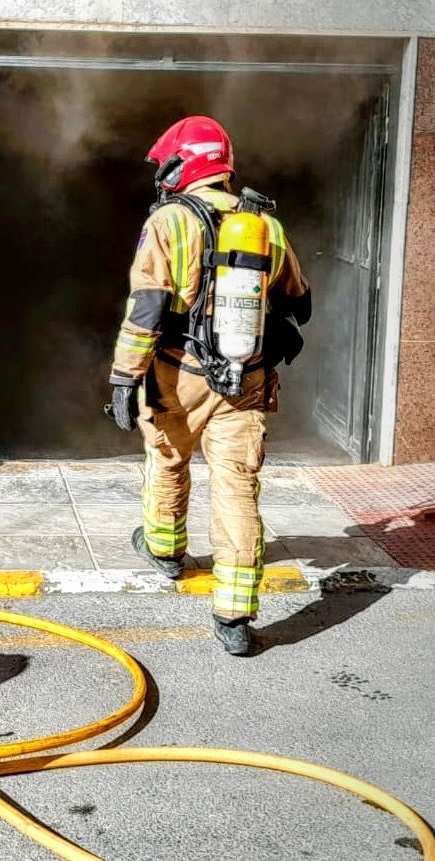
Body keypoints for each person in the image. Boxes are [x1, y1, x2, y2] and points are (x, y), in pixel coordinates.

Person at [107, 115, 312, 656]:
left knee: (167, 460)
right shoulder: (263, 223)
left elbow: (146, 309)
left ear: (183, 163)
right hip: (244, 379)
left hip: (178, 375)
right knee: (237, 488)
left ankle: (164, 549)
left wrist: (124, 378)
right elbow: (299, 299)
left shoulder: (170, 221)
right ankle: (234, 616)